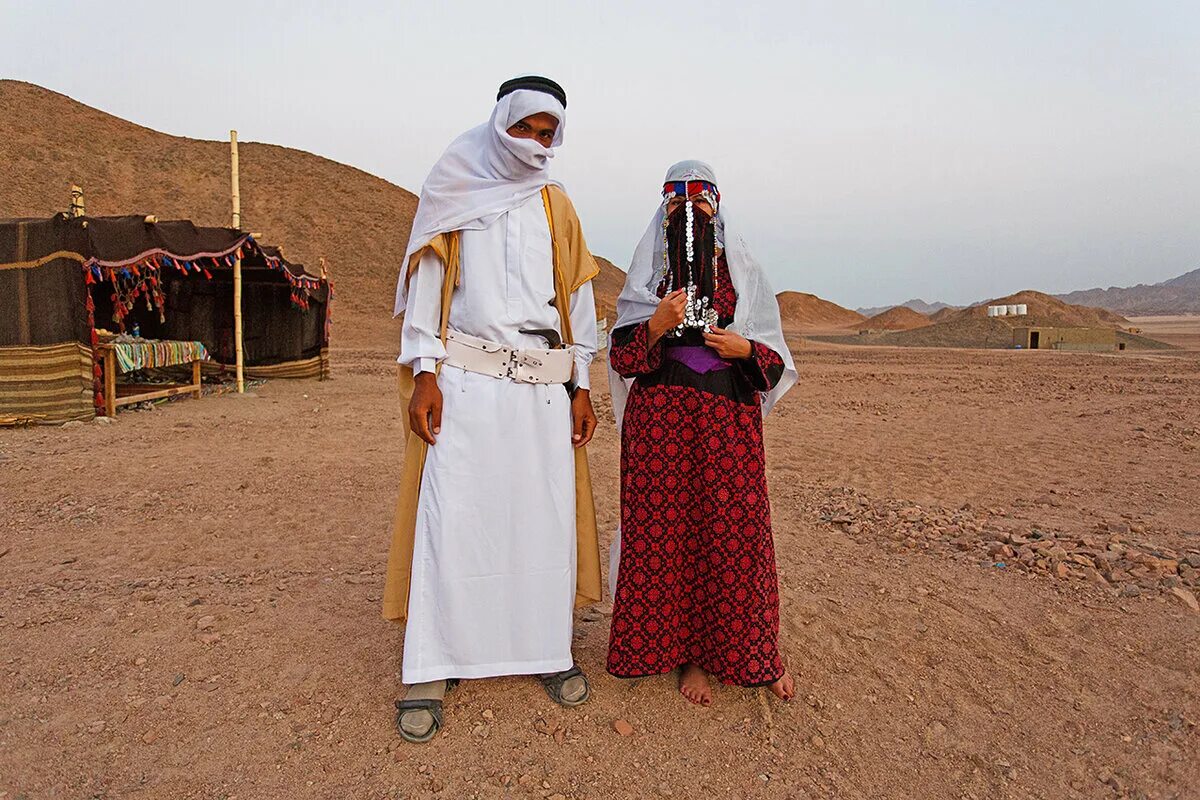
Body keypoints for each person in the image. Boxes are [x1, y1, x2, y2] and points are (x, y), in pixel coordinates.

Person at [382, 76, 603, 743]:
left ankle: (544, 651)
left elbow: (578, 299)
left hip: (541, 388)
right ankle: (434, 662)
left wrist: (583, 382)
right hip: (467, 382)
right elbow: (428, 286)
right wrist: (425, 372)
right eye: (524, 130)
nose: (534, 145)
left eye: (546, 135)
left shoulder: (557, 206)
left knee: (539, 521)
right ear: (497, 125)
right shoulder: (453, 187)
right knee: (453, 521)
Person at [606, 160, 798, 706]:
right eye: (675, 202)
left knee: (736, 538)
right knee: (666, 539)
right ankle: (685, 658)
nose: (688, 212)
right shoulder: (649, 282)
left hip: (727, 426)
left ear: (718, 208)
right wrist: (656, 327)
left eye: (701, 202)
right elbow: (620, 357)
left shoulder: (743, 277)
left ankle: (757, 655)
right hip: (660, 428)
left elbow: (776, 361)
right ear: (662, 209)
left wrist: (747, 350)